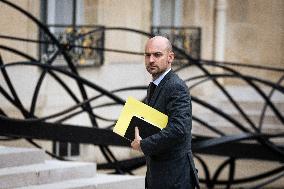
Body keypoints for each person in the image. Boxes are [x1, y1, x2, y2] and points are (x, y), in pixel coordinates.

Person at [131, 36, 200, 189]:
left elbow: (179, 129)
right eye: (147, 55)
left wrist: (144, 144)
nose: (151, 60)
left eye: (157, 54)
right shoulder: (155, 85)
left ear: (170, 57)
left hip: (174, 178)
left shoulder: (176, 86)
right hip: (158, 175)